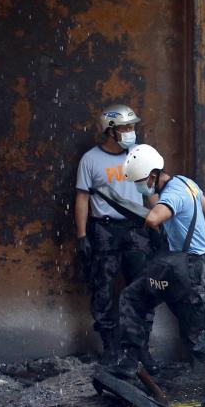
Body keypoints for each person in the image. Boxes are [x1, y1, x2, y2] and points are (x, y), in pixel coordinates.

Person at [111, 144, 205, 393]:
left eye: (140, 181)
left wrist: (146, 205)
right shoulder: (187, 183)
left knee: (193, 336)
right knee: (134, 296)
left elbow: (153, 219)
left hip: (192, 273)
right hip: (183, 267)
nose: (139, 187)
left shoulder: (172, 195)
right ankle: (130, 362)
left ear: (152, 175)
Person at [74, 104, 152, 364]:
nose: (131, 132)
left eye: (132, 126)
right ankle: (110, 348)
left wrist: (159, 224)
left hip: (136, 229)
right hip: (104, 230)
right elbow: (82, 198)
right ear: (110, 131)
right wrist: (82, 235)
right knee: (103, 290)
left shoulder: (140, 155)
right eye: (125, 128)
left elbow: (151, 193)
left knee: (143, 288)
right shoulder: (90, 160)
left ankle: (142, 349)